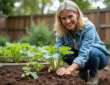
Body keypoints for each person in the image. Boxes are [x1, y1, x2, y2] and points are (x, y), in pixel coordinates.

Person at [48, 1, 110, 85]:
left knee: (92, 52)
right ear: (60, 19)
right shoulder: (61, 30)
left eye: (70, 16)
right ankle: (83, 72)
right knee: (64, 52)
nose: (68, 21)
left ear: (77, 14)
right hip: (83, 59)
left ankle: (93, 74)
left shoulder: (88, 27)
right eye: (64, 18)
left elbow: (85, 53)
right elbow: (58, 48)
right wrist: (54, 63)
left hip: (99, 59)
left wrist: (69, 70)